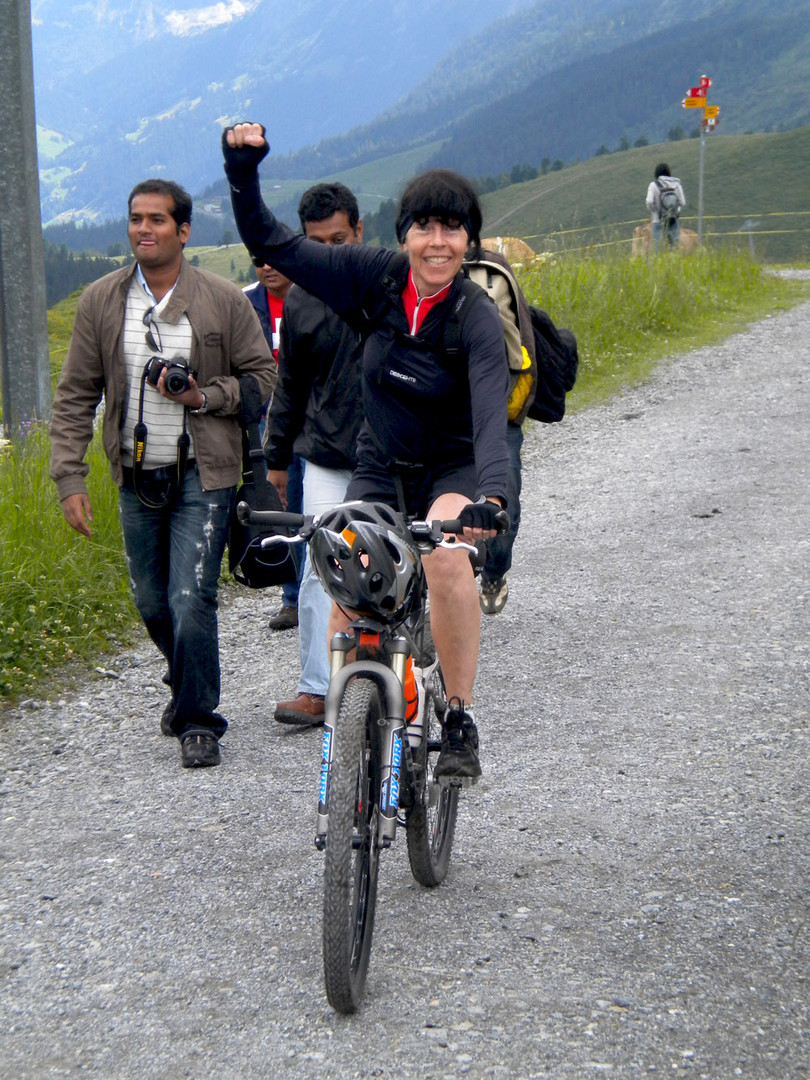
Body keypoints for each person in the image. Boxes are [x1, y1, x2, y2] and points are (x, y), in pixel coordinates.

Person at [223, 123, 509, 782]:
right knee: (352, 585)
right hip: (378, 463)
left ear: (469, 241)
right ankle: (350, 741)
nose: (438, 242)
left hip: (452, 466)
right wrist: (241, 171)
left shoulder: (474, 318)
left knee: (444, 563)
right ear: (402, 233)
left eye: (453, 229)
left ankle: (459, 716)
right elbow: (273, 243)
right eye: (424, 227)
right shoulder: (372, 278)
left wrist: (490, 498)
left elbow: (490, 415)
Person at [49, 179, 276, 769]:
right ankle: (187, 684)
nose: (143, 230)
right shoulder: (103, 301)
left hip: (206, 470)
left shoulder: (223, 299)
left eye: (156, 220)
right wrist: (68, 478)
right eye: (135, 219)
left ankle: (200, 720)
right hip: (135, 473)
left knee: (189, 597)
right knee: (152, 602)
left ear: (183, 230)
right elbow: (76, 393)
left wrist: (204, 397)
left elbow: (262, 379)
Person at [265, 182, 364, 726]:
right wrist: (276, 460)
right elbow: (290, 387)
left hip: (394, 459)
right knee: (320, 571)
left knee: (403, 560)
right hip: (325, 456)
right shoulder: (301, 299)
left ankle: (407, 668)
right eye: (317, 242)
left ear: (360, 232)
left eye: (339, 238)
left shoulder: (394, 286)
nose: (330, 252)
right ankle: (317, 688)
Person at [243, 257, 303, 630]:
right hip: (269, 420)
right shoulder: (246, 304)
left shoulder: (314, 298)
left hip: (314, 418)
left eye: (275, 258)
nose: (267, 267)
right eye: (256, 260)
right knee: (284, 508)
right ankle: (292, 598)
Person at [646, 163, 686, 252]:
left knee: (659, 250)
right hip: (673, 220)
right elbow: (682, 202)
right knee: (674, 249)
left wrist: (654, 211)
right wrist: (676, 212)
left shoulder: (653, 185)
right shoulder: (677, 184)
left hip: (658, 221)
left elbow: (649, 201)